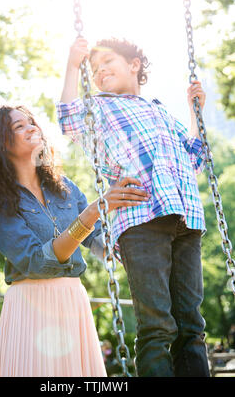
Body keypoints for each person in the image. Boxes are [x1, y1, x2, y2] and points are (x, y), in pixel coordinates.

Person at [56, 36, 210, 377]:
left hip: (186, 218)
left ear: (133, 65)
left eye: (107, 62)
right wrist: (72, 65)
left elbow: (196, 157)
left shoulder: (160, 111)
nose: (100, 72)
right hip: (141, 219)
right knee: (156, 323)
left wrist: (195, 110)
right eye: (94, 69)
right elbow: (67, 119)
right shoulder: (99, 107)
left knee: (191, 323)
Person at [0, 104, 148, 377]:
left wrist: (139, 246)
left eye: (31, 122)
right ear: (1, 142)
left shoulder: (64, 187)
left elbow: (97, 240)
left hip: (72, 300)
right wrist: (92, 212)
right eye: (19, 126)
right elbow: (38, 262)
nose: (32, 128)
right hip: (29, 304)